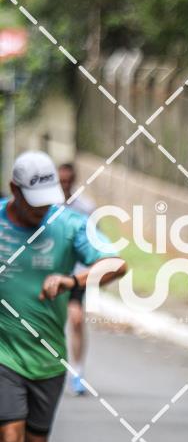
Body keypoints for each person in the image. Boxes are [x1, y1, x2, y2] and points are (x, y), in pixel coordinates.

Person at [0, 151, 126, 442]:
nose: (42, 209)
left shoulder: (68, 224)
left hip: (47, 355)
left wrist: (73, 280)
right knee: (9, 439)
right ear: (14, 190)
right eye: (33, 200)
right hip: (3, 352)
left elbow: (115, 263)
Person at [59, 162, 96, 395]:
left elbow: (95, 240)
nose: (64, 185)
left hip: (76, 273)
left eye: (67, 181)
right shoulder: (47, 206)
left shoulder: (85, 207)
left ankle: (78, 372)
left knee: (76, 319)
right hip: (50, 271)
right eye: (60, 181)